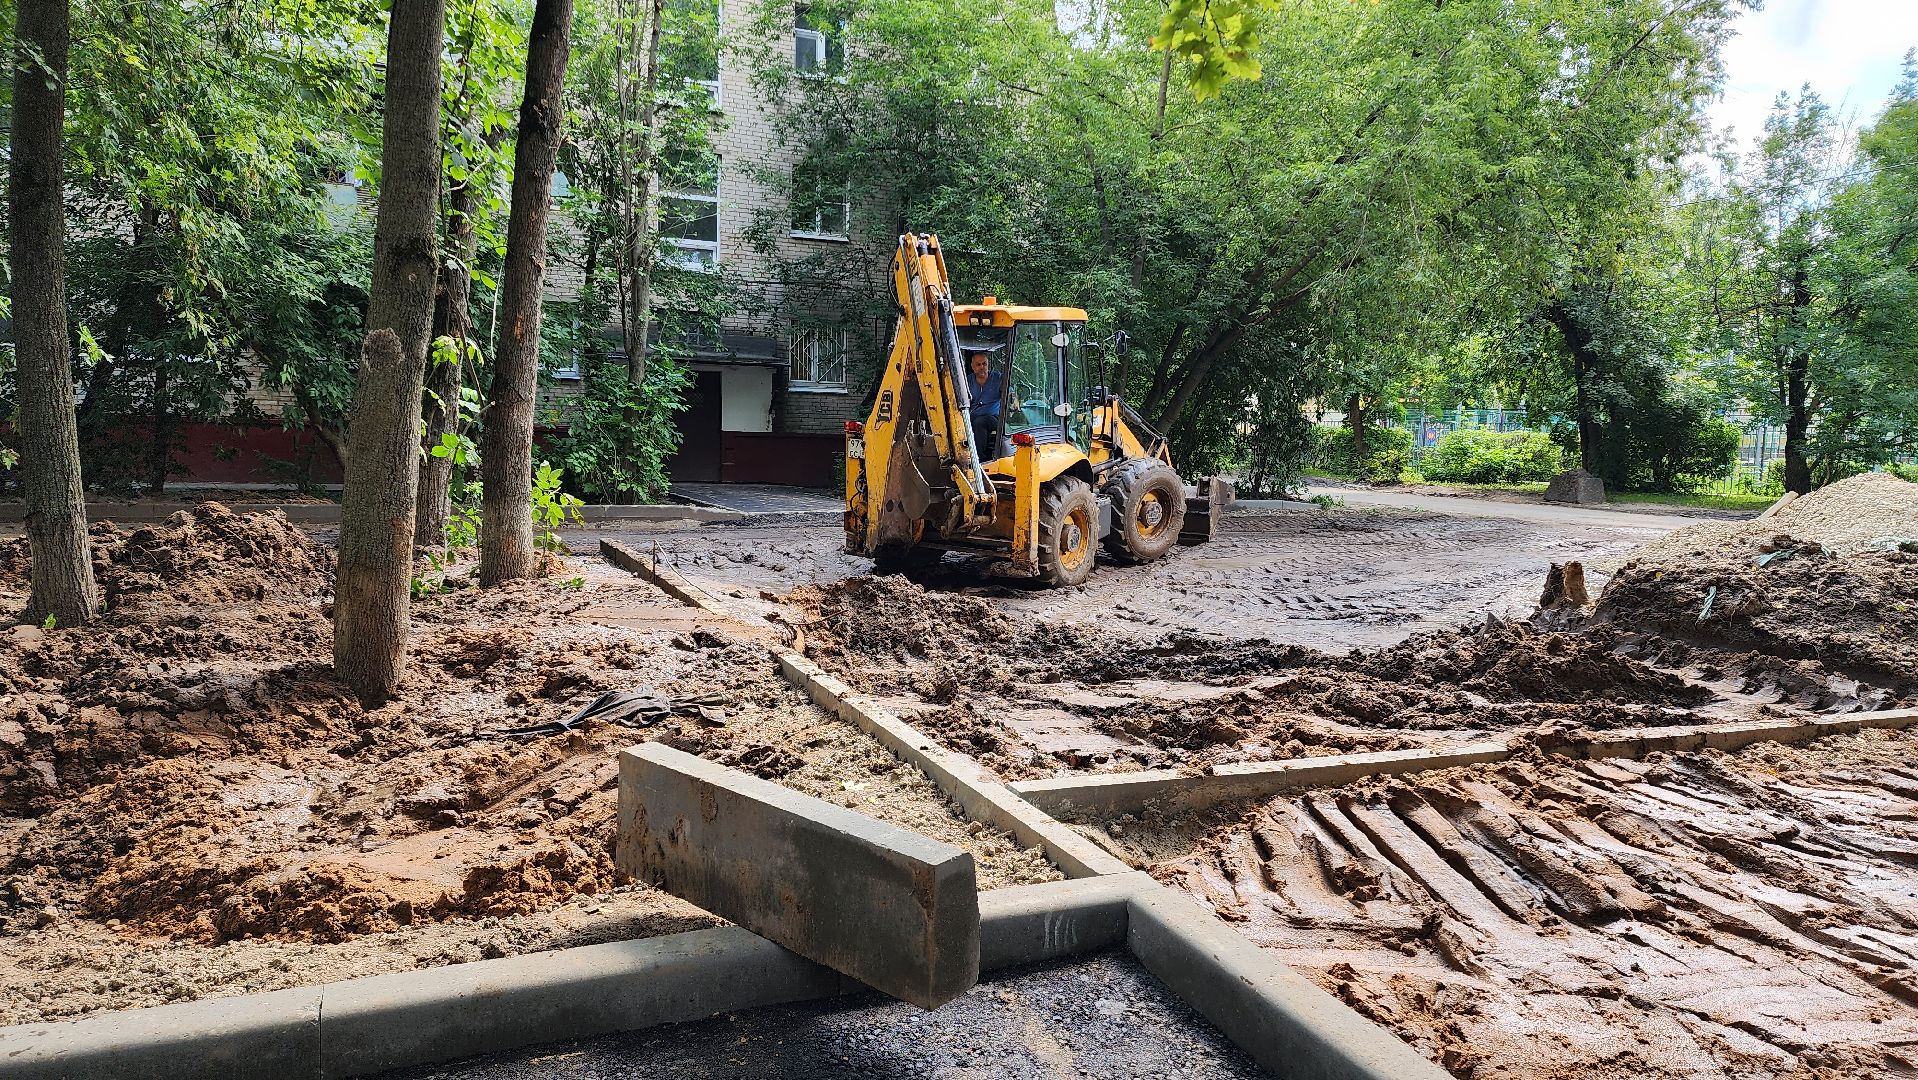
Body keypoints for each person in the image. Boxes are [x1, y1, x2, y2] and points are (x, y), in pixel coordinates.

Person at [966, 349, 1004, 461]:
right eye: (978, 364)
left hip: (993, 418)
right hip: (971, 417)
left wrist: (1014, 400)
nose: (982, 367)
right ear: (972, 366)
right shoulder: (968, 381)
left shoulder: (998, 378)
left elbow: (1010, 395)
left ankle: (979, 460)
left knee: (979, 422)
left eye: (984, 364)